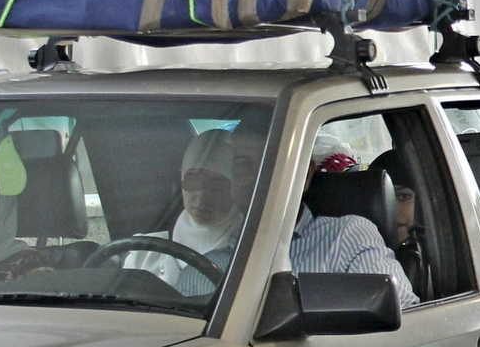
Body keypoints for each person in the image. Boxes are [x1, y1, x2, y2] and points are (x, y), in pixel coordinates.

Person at [230, 124, 420, 310]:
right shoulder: (221, 248)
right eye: (243, 165)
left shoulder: (347, 237)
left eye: (271, 165)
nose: (256, 178)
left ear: (305, 175)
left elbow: (402, 313)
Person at [126, 129, 245, 294]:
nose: (201, 196)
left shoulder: (248, 253)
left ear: (235, 189)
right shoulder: (144, 253)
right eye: (193, 181)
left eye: (216, 186)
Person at [367, 149, 433, 301]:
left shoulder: (434, 257)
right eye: (382, 198)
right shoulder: (355, 251)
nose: (392, 208)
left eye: (404, 197)